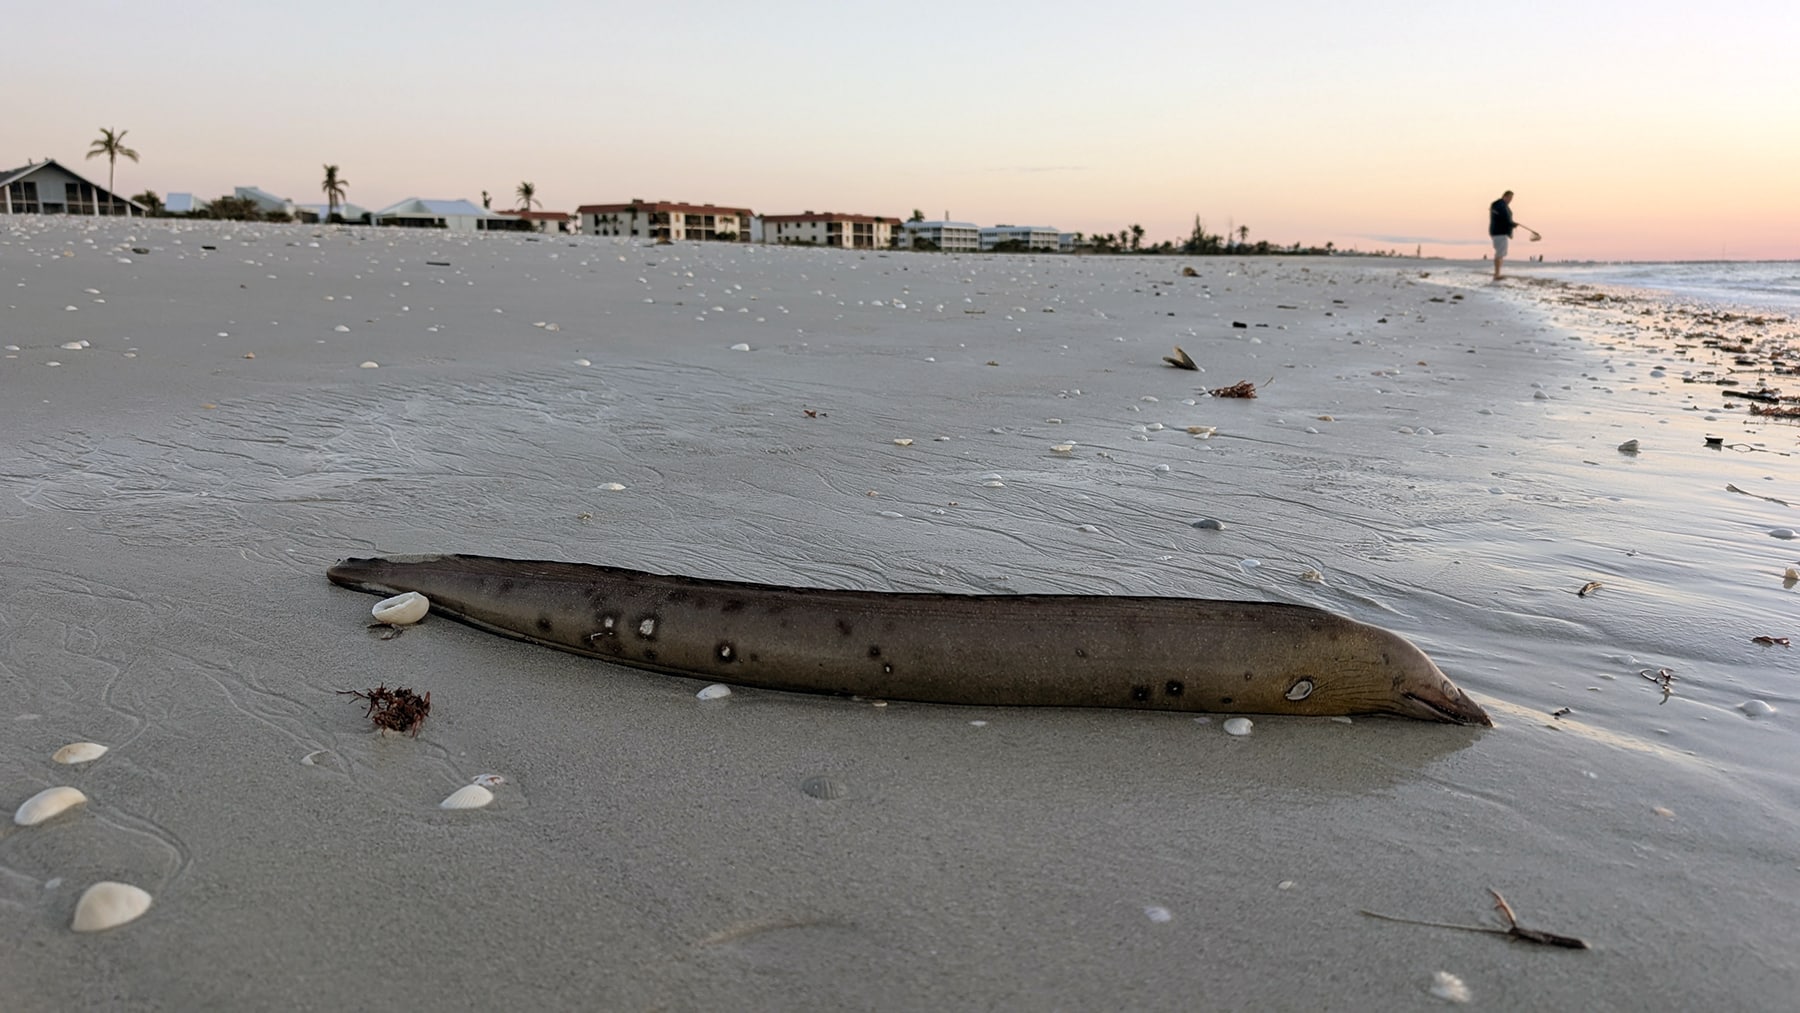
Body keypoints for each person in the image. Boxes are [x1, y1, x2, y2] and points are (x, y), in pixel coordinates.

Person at [1488, 190, 1540, 280]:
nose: (1510, 200)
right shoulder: (1499, 205)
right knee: (1499, 254)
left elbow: (1503, 218)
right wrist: (1512, 224)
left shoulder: (1500, 205)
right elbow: (1503, 218)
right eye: (1509, 198)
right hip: (1499, 232)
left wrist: (1512, 223)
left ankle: (1497, 273)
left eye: (1511, 198)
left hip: (1499, 232)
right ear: (1505, 196)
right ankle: (1497, 274)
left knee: (1500, 254)